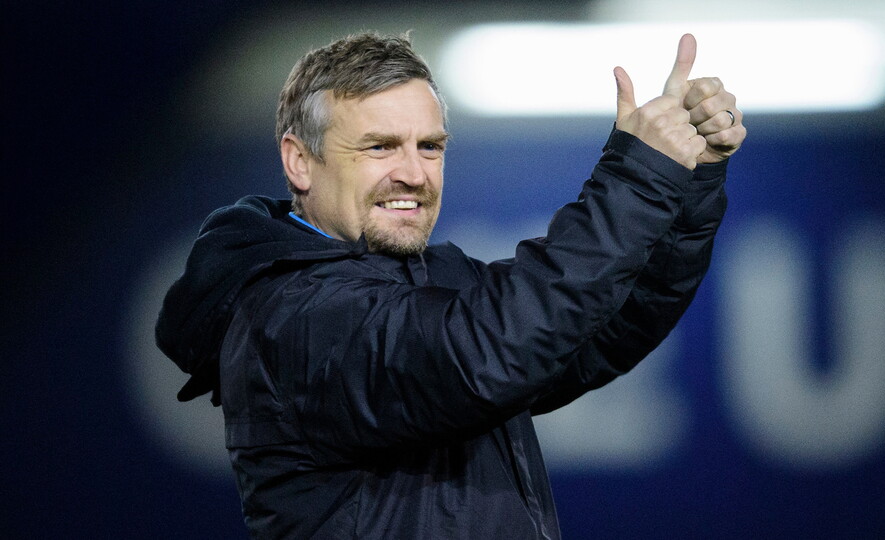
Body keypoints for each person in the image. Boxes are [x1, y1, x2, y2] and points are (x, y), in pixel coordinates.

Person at [156, 30, 745, 539]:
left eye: (430, 147)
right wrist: (639, 176)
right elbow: (490, 353)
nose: (413, 173)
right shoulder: (291, 316)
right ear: (299, 161)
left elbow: (598, 328)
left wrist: (686, 175)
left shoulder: (430, 280)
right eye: (379, 146)